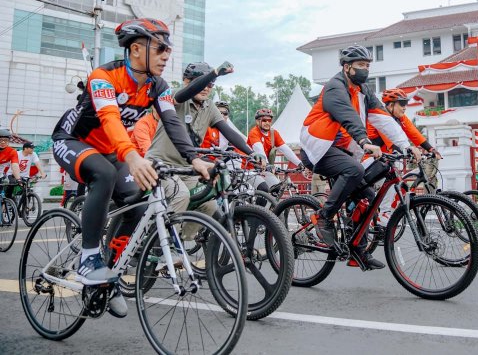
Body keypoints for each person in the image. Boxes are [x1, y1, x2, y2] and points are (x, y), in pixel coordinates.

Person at [50, 18, 211, 319]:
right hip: (73, 141)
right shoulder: (103, 76)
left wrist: (193, 158)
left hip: (110, 149)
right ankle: (88, 257)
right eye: (161, 48)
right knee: (105, 174)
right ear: (136, 49)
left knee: (139, 201)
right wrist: (133, 157)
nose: (167, 55)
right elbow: (110, 119)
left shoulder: (156, 85)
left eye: (169, 48)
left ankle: (105, 278)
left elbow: (172, 122)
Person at [299, 45, 409, 270]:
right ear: (347, 67)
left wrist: (407, 146)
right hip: (318, 147)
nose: (365, 70)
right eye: (360, 65)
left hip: (341, 148)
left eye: (368, 66)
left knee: (368, 197)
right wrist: (364, 141)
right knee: (355, 170)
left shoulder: (364, 91)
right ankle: (324, 217)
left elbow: (382, 118)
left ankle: (358, 251)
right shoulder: (334, 87)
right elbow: (348, 116)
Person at [146, 62, 260, 227]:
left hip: (187, 168)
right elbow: (187, 92)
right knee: (181, 196)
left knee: (209, 204)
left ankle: (182, 242)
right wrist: (213, 74)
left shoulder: (209, 106)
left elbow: (228, 131)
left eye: (211, 84)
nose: (206, 87)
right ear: (186, 81)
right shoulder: (176, 95)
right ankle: (166, 247)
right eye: (202, 82)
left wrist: (250, 153)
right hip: (161, 164)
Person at [367, 88, 440, 228]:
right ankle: (383, 213)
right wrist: (408, 152)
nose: (405, 107)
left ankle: (382, 213)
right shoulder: (381, 118)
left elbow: (414, 133)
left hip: (383, 158)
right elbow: (392, 142)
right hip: (366, 157)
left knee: (393, 179)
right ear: (390, 105)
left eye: (406, 103)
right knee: (389, 179)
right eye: (401, 104)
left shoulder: (400, 118)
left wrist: (431, 148)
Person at [246, 108, 305, 197]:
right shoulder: (254, 132)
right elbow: (259, 150)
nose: (267, 123)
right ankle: (257, 211)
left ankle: (271, 210)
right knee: (263, 189)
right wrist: (269, 165)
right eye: (264, 120)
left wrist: (299, 163)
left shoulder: (274, 134)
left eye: (269, 120)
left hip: (263, 168)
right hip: (249, 168)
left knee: (277, 189)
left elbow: (286, 150)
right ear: (258, 122)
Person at [0, 129, 21, 198]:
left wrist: (18, 179)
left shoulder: (12, 151)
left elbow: (14, 165)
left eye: (5, 140)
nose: (3, 142)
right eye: (0, 140)